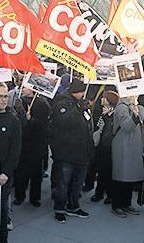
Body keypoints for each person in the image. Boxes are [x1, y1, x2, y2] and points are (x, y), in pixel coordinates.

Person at [49, 79, 93, 223]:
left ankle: (73, 205)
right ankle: (60, 208)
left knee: (77, 183)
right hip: (66, 151)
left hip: (82, 151)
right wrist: (79, 109)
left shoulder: (81, 104)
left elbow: (88, 124)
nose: (83, 94)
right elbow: (64, 122)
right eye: (81, 91)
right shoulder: (62, 103)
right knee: (63, 183)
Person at [0, 83, 21, 243]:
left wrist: (6, 173)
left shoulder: (13, 120)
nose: (3, 99)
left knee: (1, 210)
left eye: (5, 96)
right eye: (0, 96)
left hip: (2, 176)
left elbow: (15, 150)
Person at [13, 87, 49, 207]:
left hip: (37, 143)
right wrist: (20, 112)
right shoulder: (20, 101)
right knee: (21, 173)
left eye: (25, 87)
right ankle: (19, 196)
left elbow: (45, 124)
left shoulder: (42, 103)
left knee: (36, 174)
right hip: (23, 142)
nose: (22, 89)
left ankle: (35, 198)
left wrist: (31, 120)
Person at [111, 95, 144, 217]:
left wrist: (137, 109)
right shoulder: (121, 107)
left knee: (130, 176)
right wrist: (134, 115)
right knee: (121, 175)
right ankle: (117, 205)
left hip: (134, 145)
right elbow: (127, 126)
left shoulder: (138, 107)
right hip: (123, 145)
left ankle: (127, 203)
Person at [91, 91, 116, 204]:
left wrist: (107, 116)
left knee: (108, 171)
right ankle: (99, 192)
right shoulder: (102, 111)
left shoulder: (114, 113)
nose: (101, 99)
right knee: (101, 170)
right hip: (102, 144)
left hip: (109, 145)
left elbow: (111, 128)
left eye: (104, 98)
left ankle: (109, 194)